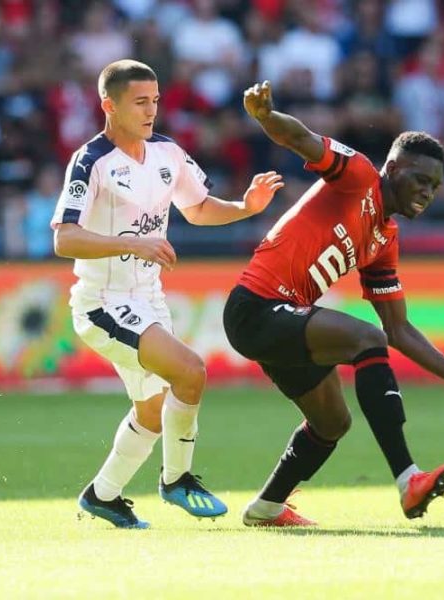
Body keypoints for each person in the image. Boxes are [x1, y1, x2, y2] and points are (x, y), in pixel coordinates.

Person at [223, 80, 444, 527]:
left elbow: (400, 329)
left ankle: (267, 507)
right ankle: (408, 480)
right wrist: (267, 117)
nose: (427, 191)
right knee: (367, 338)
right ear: (393, 167)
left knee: (331, 423)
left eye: (435, 186)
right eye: (420, 179)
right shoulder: (358, 176)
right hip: (255, 307)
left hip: (286, 319)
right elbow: (302, 139)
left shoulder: (385, 239)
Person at [51, 60, 283, 529]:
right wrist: (130, 243)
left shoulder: (167, 154)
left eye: (155, 100)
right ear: (109, 105)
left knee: (154, 411)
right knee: (190, 372)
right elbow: (63, 238)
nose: (151, 110)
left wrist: (245, 207)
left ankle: (103, 495)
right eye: (140, 102)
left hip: (148, 298)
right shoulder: (91, 161)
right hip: (102, 302)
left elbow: (196, 209)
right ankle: (177, 480)